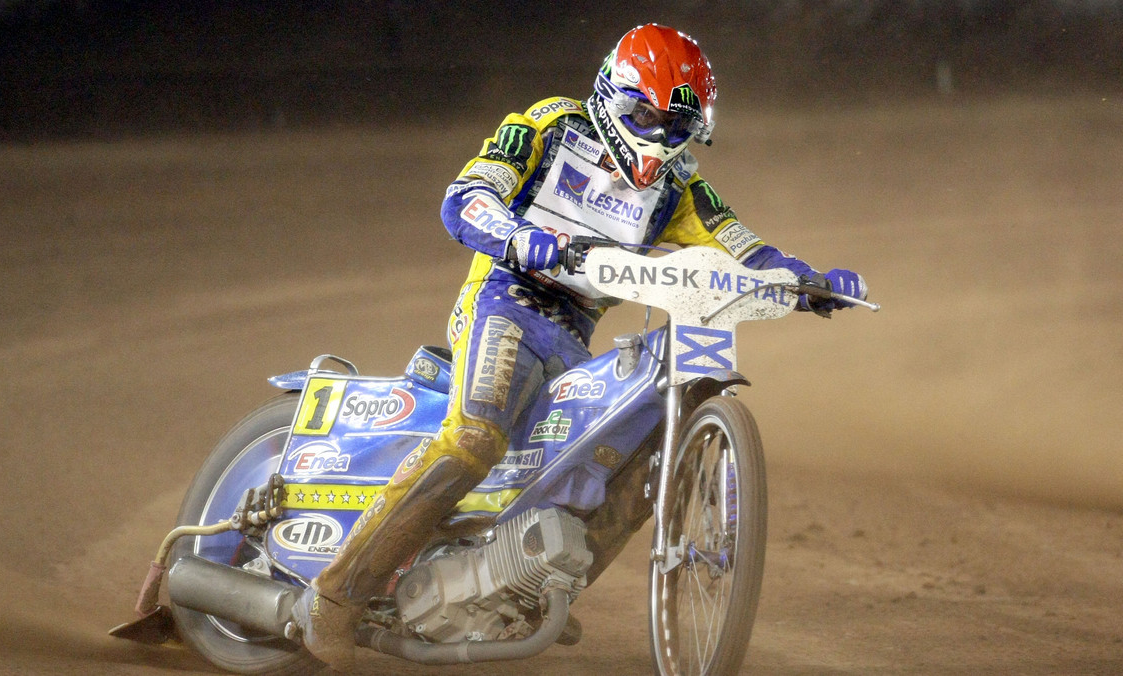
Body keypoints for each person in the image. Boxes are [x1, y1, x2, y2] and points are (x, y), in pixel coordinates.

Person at [294, 23, 868, 671]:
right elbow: (465, 197)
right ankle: (335, 597)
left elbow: (739, 243)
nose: (657, 136)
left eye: (674, 127)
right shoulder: (548, 125)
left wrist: (803, 280)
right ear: (611, 95)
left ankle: (527, 588)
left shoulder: (680, 187)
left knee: (631, 467)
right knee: (478, 434)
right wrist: (516, 237)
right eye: (644, 114)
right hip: (504, 300)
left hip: (572, 335)